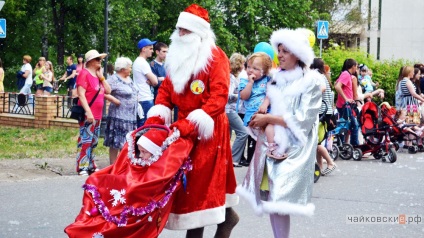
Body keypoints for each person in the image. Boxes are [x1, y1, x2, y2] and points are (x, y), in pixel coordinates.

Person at [145, 4, 239, 238]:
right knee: (190, 185)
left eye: (185, 30)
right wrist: (156, 122)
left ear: (198, 33)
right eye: (179, 29)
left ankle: (213, 226)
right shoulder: (176, 55)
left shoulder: (215, 57)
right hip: (183, 128)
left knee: (199, 186)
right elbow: (166, 91)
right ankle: (228, 219)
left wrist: (188, 124)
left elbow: (219, 97)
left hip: (209, 128)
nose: (180, 34)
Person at [237, 28, 321, 238]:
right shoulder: (277, 78)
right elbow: (267, 106)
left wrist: (268, 119)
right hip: (271, 148)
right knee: (273, 201)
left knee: (280, 201)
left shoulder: (310, 81)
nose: (280, 55)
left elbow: (303, 120)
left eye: (285, 51)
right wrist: (259, 121)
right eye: (279, 50)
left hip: (292, 152)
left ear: (298, 55)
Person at [65, 121, 195, 237]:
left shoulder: (159, 169)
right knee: (96, 179)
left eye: (145, 152)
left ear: (156, 152)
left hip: (139, 201)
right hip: (123, 197)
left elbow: (148, 182)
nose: (141, 155)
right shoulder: (137, 162)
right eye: (140, 151)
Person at [75, 50, 111, 176]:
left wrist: (101, 76)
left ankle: (91, 164)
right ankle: (82, 166)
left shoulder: (97, 75)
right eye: (97, 59)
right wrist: (88, 112)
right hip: (88, 114)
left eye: (100, 59)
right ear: (90, 61)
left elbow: (108, 90)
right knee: (85, 140)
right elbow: (81, 94)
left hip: (98, 114)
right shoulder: (84, 73)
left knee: (94, 141)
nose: (100, 61)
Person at [239, 52, 272, 164]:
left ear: (265, 71)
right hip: (251, 116)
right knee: (257, 141)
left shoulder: (267, 79)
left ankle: (271, 150)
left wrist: (265, 104)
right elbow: (244, 96)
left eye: (255, 68)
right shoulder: (244, 81)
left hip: (266, 113)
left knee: (268, 133)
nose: (250, 70)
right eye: (248, 67)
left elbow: (271, 93)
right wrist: (250, 83)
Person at [103, 57, 138, 164]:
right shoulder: (113, 79)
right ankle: (113, 165)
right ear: (123, 69)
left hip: (130, 117)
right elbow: (101, 90)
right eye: (129, 67)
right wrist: (113, 99)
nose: (131, 69)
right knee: (116, 142)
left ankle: (124, 165)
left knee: (127, 143)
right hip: (118, 116)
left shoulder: (129, 79)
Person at [310, 58, 337, 175]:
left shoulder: (317, 76)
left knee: (315, 142)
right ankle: (319, 166)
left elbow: (322, 89)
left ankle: (330, 162)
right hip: (326, 111)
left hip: (322, 112)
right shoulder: (323, 76)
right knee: (318, 141)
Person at [226, 53, 248, 167]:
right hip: (228, 110)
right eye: (243, 63)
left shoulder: (234, 77)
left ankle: (226, 159)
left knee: (227, 136)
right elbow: (227, 95)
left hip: (231, 110)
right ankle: (234, 158)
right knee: (243, 132)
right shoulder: (230, 78)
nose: (244, 65)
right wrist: (239, 95)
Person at [133, 38, 158, 127]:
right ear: (144, 49)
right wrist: (153, 81)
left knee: (142, 125)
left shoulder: (138, 61)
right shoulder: (142, 62)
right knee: (145, 126)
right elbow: (155, 82)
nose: (152, 51)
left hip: (141, 98)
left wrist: (152, 81)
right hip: (145, 99)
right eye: (150, 48)